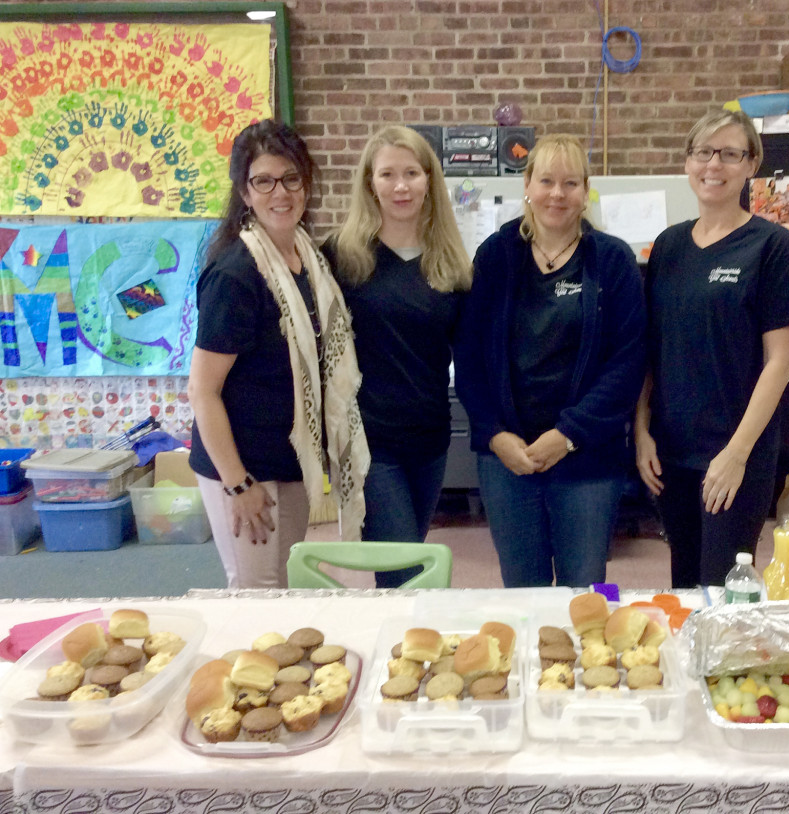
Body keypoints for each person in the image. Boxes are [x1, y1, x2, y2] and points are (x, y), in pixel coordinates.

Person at [455, 133, 646, 588]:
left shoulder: (612, 261)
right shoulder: (497, 255)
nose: (557, 194)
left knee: (586, 592)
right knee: (523, 593)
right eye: (546, 181)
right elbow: (469, 355)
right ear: (527, 184)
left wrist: (567, 436)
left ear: (585, 190)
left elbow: (627, 362)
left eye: (570, 183)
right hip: (509, 461)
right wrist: (496, 436)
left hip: (587, 460)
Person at [635, 109, 789, 589]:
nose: (713, 165)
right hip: (672, 451)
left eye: (730, 154)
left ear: (751, 164)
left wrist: (736, 454)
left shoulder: (772, 247)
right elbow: (652, 349)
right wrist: (642, 431)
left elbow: (780, 361)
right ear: (688, 162)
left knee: (722, 586)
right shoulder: (668, 246)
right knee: (684, 583)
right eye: (703, 153)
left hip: (736, 453)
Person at [188, 120, 369, 589]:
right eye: (263, 181)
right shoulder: (236, 276)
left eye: (291, 178)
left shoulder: (309, 260)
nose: (280, 193)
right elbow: (202, 392)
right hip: (245, 466)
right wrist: (238, 484)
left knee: (284, 586)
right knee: (258, 595)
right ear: (245, 194)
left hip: (290, 458)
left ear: (306, 183)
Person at [322, 126, 472, 588]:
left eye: (411, 173)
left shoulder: (451, 263)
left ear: (430, 180)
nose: (401, 186)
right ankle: (407, 653)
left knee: (405, 566)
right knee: (408, 572)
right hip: (370, 443)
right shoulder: (340, 256)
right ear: (370, 183)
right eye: (388, 174)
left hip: (429, 437)